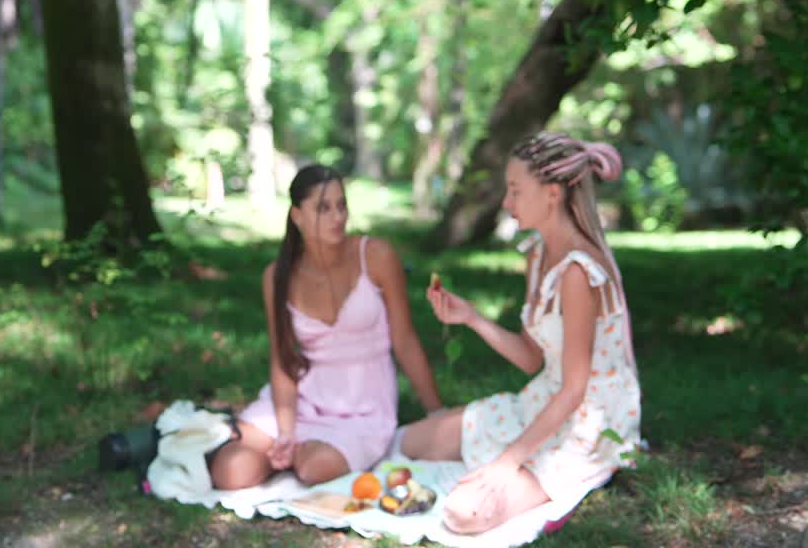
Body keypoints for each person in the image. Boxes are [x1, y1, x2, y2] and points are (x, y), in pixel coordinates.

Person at [400, 132, 641, 534]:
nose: (507, 204)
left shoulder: (579, 273)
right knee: (412, 443)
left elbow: (576, 390)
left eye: (515, 191)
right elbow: (532, 357)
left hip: (585, 422)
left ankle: (581, 475)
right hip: (545, 398)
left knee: (464, 513)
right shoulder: (538, 253)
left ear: (552, 194)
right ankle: (515, 464)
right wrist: (473, 318)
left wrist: (508, 461)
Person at [210, 164, 444, 489]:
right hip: (305, 399)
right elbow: (282, 360)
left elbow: (405, 340)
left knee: (315, 467)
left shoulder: (376, 256)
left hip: (363, 408)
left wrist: (436, 412)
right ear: (297, 216)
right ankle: (282, 450)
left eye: (341, 205)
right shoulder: (277, 276)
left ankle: (296, 455)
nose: (338, 217)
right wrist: (287, 431)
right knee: (230, 472)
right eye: (323, 208)